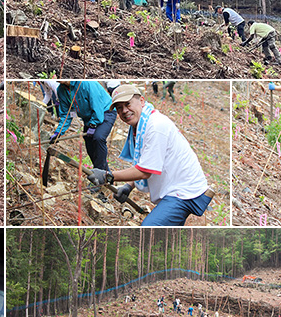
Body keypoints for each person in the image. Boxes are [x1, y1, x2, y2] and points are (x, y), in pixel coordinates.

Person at [87, 84, 213, 226]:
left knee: (150, 228)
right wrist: (129, 186)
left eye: (128, 104)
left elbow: (145, 171)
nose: (124, 111)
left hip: (184, 192)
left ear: (141, 101)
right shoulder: (141, 126)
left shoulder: (155, 126)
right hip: (175, 190)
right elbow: (147, 162)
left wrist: (107, 176)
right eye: (119, 108)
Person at [51, 81, 116, 171]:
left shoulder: (87, 84)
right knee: (89, 145)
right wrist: (58, 132)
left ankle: (100, 174)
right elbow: (66, 114)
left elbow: (97, 105)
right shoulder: (61, 90)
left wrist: (93, 125)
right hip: (89, 118)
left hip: (105, 112)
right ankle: (103, 173)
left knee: (98, 138)